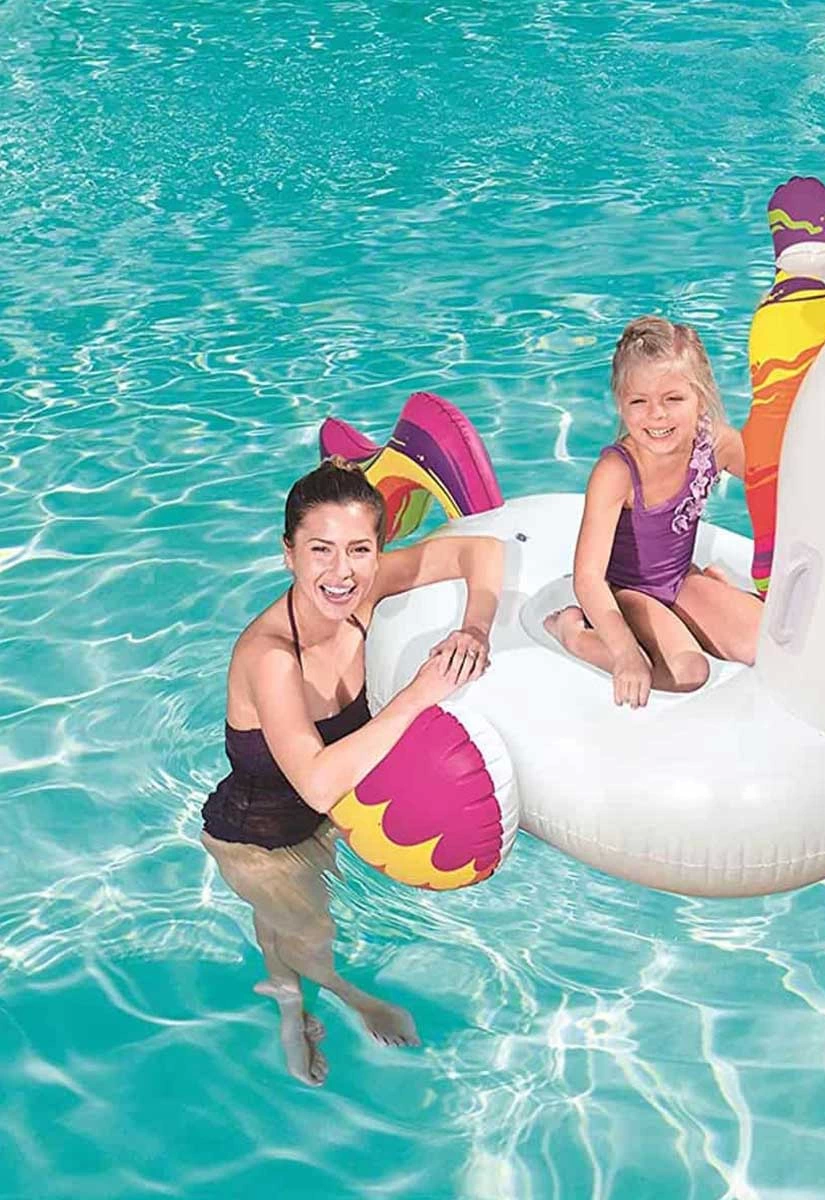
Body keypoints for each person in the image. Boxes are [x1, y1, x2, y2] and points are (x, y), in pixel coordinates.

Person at [201, 456, 504, 1086]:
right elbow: (315, 782)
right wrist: (419, 694)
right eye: (321, 550)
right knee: (314, 933)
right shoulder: (272, 656)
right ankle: (341, 1000)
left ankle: (286, 996)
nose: (341, 572)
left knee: (286, 922)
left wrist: (474, 629)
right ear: (288, 554)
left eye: (359, 550)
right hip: (257, 838)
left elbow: (482, 551)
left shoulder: (363, 590)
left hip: (320, 821)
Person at [544, 316, 761, 708]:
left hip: (679, 579)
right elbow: (588, 578)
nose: (657, 415)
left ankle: (706, 590)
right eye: (638, 402)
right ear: (620, 403)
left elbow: (773, 489)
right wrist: (625, 653)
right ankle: (572, 634)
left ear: (701, 396)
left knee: (765, 643)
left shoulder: (717, 444)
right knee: (688, 673)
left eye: (673, 399)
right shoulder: (617, 471)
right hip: (626, 592)